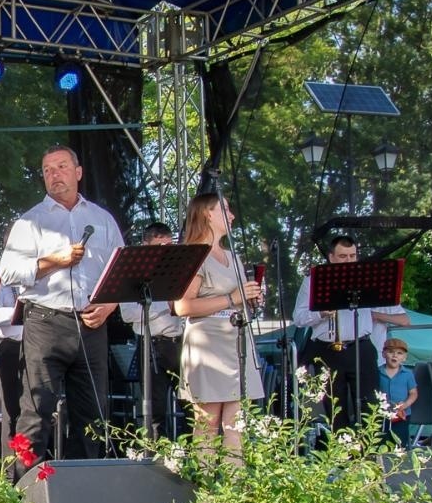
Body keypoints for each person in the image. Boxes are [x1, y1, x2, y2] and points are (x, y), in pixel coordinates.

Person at [0, 146, 123, 462]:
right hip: (45, 323)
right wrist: (54, 261)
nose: (54, 174)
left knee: (92, 416)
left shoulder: (102, 219)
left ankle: (82, 495)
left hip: (91, 323)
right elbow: (8, 271)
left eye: (62, 166)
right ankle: (23, 499)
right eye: (47, 170)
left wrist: (109, 306)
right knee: (36, 413)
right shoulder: (30, 222)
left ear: (78, 172)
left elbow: (120, 271)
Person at [291, 234, 410, 430]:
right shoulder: (312, 281)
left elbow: (401, 316)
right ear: (331, 257)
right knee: (335, 407)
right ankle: (341, 453)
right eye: (343, 256)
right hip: (328, 350)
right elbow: (299, 318)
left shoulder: (367, 278)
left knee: (369, 404)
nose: (349, 261)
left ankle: (368, 453)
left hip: (361, 347)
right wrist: (321, 312)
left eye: (352, 256)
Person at [173, 194, 263, 453]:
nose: (232, 214)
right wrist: (231, 298)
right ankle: (204, 488)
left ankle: (233, 489)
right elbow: (182, 306)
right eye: (224, 208)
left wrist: (250, 298)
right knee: (208, 424)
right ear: (206, 214)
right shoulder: (193, 255)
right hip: (208, 343)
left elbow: (237, 299)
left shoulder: (232, 256)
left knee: (237, 425)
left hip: (237, 340)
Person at [117, 221, 184, 438]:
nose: (165, 253)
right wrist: (166, 306)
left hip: (182, 343)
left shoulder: (179, 271)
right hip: (152, 345)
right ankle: (156, 458)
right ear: (146, 245)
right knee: (154, 411)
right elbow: (128, 313)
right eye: (159, 247)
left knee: (191, 405)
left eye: (169, 247)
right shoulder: (133, 273)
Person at [0, 269, 24, 448]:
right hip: (10, 344)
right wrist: (25, 308)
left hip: (37, 342)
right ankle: (11, 470)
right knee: (11, 408)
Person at [377, 338, 418, 445]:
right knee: (382, 440)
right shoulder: (377, 372)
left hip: (402, 414)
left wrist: (405, 404)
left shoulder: (408, 374)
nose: (395, 355)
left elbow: (413, 393)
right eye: (391, 352)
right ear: (384, 354)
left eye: (399, 353)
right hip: (382, 414)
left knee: (400, 440)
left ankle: (399, 459)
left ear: (404, 358)